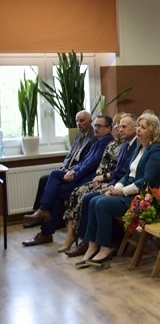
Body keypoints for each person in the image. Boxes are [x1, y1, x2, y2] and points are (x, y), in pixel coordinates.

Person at [76, 113, 160, 268]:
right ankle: (92, 246)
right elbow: (126, 175)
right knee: (93, 200)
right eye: (138, 126)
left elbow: (147, 181)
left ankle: (105, 249)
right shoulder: (139, 147)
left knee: (101, 204)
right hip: (128, 190)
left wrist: (122, 191)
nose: (138, 130)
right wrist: (116, 187)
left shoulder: (156, 151)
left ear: (152, 130)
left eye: (142, 127)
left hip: (141, 197)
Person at [22, 115, 114, 247]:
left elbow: (92, 164)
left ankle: (45, 223)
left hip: (88, 180)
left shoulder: (105, 141)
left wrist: (75, 174)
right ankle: (44, 221)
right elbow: (83, 161)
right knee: (56, 186)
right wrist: (71, 170)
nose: (96, 128)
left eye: (99, 126)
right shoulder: (98, 141)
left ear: (109, 128)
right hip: (79, 174)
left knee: (56, 185)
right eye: (95, 126)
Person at [62, 113, 125, 255]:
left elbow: (118, 171)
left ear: (108, 128)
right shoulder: (111, 144)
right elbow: (93, 163)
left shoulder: (123, 146)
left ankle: (86, 241)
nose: (119, 128)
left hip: (111, 182)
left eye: (122, 126)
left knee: (86, 197)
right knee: (76, 192)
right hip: (101, 179)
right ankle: (75, 236)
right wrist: (95, 177)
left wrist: (102, 178)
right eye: (117, 125)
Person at [26, 109, 95, 219]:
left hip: (77, 172)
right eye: (77, 121)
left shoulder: (93, 138)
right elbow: (70, 155)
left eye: (82, 121)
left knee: (54, 178)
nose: (78, 123)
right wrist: (64, 167)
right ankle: (39, 211)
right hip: (68, 168)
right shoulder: (78, 136)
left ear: (90, 121)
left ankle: (43, 210)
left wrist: (71, 170)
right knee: (43, 179)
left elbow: (86, 161)